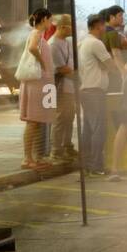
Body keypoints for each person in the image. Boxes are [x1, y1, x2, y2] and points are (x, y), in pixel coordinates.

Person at [77, 13, 117, 176]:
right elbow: (112, 66)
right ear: (98, 25)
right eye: (103, 25)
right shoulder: (95, 43)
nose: (105, 28)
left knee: (88, 129)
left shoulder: (83, 42)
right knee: (99, 129)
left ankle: (86, 164)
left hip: (86, 90)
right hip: (94, 91)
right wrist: (107, 66)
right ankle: (96, 166)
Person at [19, 10, 57, 171]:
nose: (52, 23)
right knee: (33, 121)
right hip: (36, 82)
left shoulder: (39, 34)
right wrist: (42, 63)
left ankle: (35, 156)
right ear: (45, 19)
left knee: (38, 121)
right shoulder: (36, 33)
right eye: (51, 20)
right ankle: (27, 158)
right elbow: (33, 49)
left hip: (41, 83)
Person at [49, 15, 78, 163]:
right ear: (62, 27)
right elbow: (61, 68)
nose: (73, 29)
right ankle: (56, 150)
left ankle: (67, 146)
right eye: (70, 26)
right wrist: (79, 77)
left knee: (69, 117)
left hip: (69, 86)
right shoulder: (53, 44)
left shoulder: (65, 42)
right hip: (60, 87)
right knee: (60, 118)